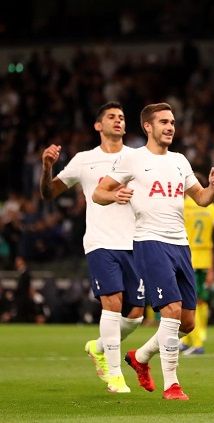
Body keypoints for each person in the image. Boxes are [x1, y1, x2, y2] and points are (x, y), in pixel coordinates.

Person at [93, 102, 214, 400]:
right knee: (172, 311)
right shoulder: (132, 159)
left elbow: (202, 198)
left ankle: (140, 357)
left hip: (180, 244)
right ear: (148, 127)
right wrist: (115, 194)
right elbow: (98, 193)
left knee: (188, 323)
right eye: (164, 122)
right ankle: (172, 385)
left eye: (173, 123)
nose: (170, 127)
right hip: (149, 242)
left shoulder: (180, 161)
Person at [40, 101, 144, 394]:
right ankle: (114, 375)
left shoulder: (137, 158)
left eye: (122, 117)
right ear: (98, 126)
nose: (118, 121)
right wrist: (47, 167)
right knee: (111, 303)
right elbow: (49, 193)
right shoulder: (84, 160)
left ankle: (98, 347)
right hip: (100, 241)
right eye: (111, 117)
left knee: (136, 314)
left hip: (134, 242)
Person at [179, 173, 214, 355]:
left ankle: (196, 342)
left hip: (185, 257)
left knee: (188, 301)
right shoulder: (210, 207)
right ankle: (190, 339)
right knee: (198, 300)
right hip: (203, 259)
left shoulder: (183, 205)